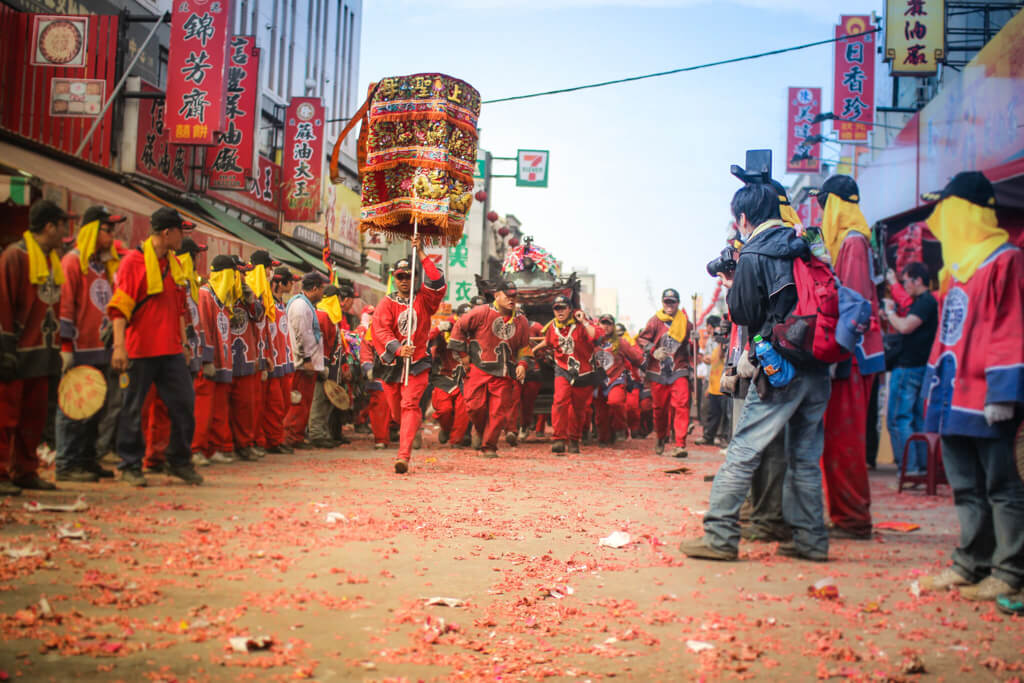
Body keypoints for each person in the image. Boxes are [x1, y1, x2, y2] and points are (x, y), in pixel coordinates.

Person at [680, 182, 831, 562]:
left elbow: (745, 314)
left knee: (744, 449)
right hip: (818, 359)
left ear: (744, 218)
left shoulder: (755, 252)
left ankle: (719, 537)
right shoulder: (801, 242)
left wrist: (732, 286)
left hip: (780, 365)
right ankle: (811, 540)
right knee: (805, 457)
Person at [916, 171, 1024, 602]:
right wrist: (933, 388)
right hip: (953, 393)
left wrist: (1003, 391)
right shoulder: (956, 268)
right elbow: (946, 333)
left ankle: (1010, 568)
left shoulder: (1005, 259)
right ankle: (971, 562)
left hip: (986, 394)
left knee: (1001, 485)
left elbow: (1009, 327)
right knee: (964, 485)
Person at [106, 207, 202, 487]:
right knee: (132, 408)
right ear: (166, 232)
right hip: (139, 349)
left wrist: (184, 343)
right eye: (180, 231)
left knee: (184, 403)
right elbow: (120, 309)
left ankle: (179, 460)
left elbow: (179, 308)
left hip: (171, 349)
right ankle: (130, 464)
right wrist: (119, 347)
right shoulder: (134, 262)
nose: (183, 237)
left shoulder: (174, 264)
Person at [813, 175, 884, 540]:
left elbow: (852, 308)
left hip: (852, 355)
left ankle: (853, 519)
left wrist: (834, 353)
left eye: (823, 205)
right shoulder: (851, 240)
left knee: (845, 439)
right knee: (837, 437)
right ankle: (844, 514)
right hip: (850, 354)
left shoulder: (853, 243)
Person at [0, 200, 72, 494]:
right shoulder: (14, 256)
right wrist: (4, 349)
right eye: (62, 225)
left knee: (34, 418)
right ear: (49, 227)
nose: (66, 232)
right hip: (16, 352)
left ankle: (25, 470)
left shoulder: (52, 260)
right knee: (5, 418)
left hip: (42, 353)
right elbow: (3, 304)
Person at [54, 206, 122, 482]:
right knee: (73, 407)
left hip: (100, 348)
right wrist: (66, 347)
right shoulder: (73, 262)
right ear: (93, 230)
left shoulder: (103, 264)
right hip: (79, 348)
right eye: (107, 229)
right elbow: (65, 306)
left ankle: (87, 458)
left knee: (95, 408)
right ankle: (66, 463)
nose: (112, 235)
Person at [371, 237, 446, 473]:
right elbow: (380, 329)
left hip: (418, 362)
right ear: (394, 278)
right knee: (396, 412)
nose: (404, 280)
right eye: (400, 276)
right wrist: (397, 348)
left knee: (410, 403)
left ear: (415, 278)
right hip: (393, 363)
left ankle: (403, 456)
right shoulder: (387, 302)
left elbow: (437, 280)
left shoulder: (424, 300)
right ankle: (407, 429)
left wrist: (422, 253)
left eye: (408, 276)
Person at [448, 281, 532, 458]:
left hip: (504, 372)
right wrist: (463, 355)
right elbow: (459, 328)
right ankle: (480, 431)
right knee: (474, 407)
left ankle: (490, 446)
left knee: (498, 412)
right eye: (507, 295)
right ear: (497, 295)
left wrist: (523, 364)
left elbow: (525, 347)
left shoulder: (522, 320)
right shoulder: (481, 312)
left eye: (514, 296)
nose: (511, 299)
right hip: (479, 368)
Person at [880, 261, 938, 474]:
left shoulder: (925, 302)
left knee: (898, 419)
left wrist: (890, 313)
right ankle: (921, 466)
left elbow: (905, 327)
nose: (905, 286)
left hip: (908, 368)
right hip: (918, 367)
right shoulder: (925, 302)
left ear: (918, 280)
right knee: (914, 419)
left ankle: (909, 468)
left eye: (905, 281)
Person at [531, 296, 599, 454]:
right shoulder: (553, 326)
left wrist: (584, 321)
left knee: (578, 408)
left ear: (570, 309)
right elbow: (548, 341)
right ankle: (558, 439)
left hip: (583, 372)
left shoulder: (581, 325)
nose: (560, 311)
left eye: (563, 307)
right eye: (556, 308)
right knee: (560, 401)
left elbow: (595, 336)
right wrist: (533, 350)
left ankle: (574, 439)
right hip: (563, 369)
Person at [191, 254, 240, 466]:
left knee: (218, 409)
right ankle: (196, 448)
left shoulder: (221, 300)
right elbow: (203, 328)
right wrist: (207, 358)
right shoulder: (204, 295)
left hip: (222, 363)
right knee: (202, 409)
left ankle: (216, 447)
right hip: (208, 363)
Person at [637, 288, 693, 457]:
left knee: (681, 405)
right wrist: (653, 351)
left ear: (678, 303)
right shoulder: (654, 321)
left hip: (679, 369)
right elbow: (641, 340)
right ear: (662, 303)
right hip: (657, 372)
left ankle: (680, 444)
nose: (669, 305)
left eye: (673, 302)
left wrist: (694, 339)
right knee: (660, 409)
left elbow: (690, 346)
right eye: (667, 302)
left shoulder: (686, 323)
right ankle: (661, 437)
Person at [285, 271, 328, 448]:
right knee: (298, 402)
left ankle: (297, 436)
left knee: (304, 403)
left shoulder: (305, 304)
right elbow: (301, 335)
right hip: (302, 364)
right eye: (322, 289)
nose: (323, 293)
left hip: (307, 363)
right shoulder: (301, 306)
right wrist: (307, 359)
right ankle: (292, 437)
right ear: (315, 288)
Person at [261, 267, 297, 454]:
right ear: (281, 283)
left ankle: (277, 437)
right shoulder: (268, 304)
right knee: (274, 405)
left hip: (284, 361)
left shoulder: (282, 304)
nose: (292, 285)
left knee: (283, 403)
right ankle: (272, 441)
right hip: (273, 361)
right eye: (290, 281)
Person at [592, 314, 642, 446]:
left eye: (609, 324)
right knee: (601, 415)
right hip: (598, 381)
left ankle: (620, 428)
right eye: (603, 323)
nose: (605, 326)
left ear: (613, 326)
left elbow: (636, 358)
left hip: (616, 379)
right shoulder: (591, 342)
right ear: (598, 326)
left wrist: (646, 361)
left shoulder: (620, 342)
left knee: (616, 402)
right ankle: (605, 437)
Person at [430, 303, 470, 448]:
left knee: (464, 409)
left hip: (465, 377)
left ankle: (456, 440)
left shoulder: (475, 332)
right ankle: (446, 429)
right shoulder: (446, 330)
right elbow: (427, 340)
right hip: (443, 377)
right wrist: (438, 328)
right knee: (444, 409)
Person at [696, 317, 730, 448]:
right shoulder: (714, 348)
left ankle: (721, 437)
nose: (716, 337)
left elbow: (722, 356)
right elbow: (709, 360)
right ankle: (709, 436)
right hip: (713, 385)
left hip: (723, 386)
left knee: (724, 415)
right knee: (713, 413)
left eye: (719, 334)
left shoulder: (724, 346)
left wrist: (722, 342)